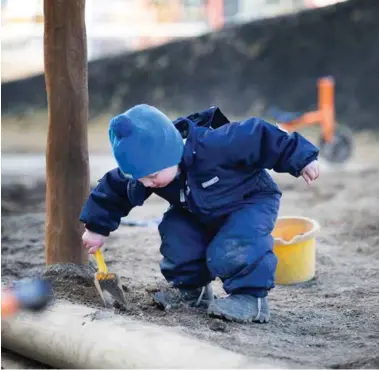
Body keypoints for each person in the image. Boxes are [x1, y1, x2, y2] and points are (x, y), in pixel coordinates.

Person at [80, 104, 320, 323]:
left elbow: (261, 136)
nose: (149, 183)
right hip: (197, 209)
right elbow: (114, 189)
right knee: (177, 234)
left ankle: (251, 299)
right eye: (141, 178)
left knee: (233, 246)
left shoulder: (216, 144)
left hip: (249, 201)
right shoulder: (147, 171)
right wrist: (95, 227)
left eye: (153, 176)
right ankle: (192, 292)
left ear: (171, 152)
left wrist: (301, 158)